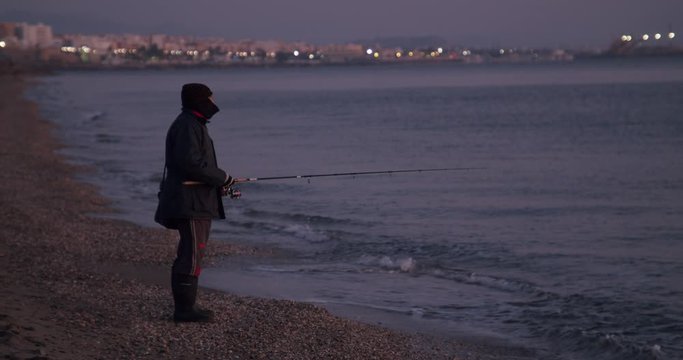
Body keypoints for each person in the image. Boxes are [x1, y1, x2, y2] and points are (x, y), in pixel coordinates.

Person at [154, 83, 235, 323]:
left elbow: (195, 164)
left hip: (196, 201)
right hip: (190, 202)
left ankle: (187, 307)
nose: (214, 102)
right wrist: (223, 178)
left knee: (193, 253)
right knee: (191, 254)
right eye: (210, 98)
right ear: (200, 101)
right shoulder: (188, 125)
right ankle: (184, 310)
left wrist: (219, 181)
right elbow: (191, 164)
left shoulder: (192, 124)